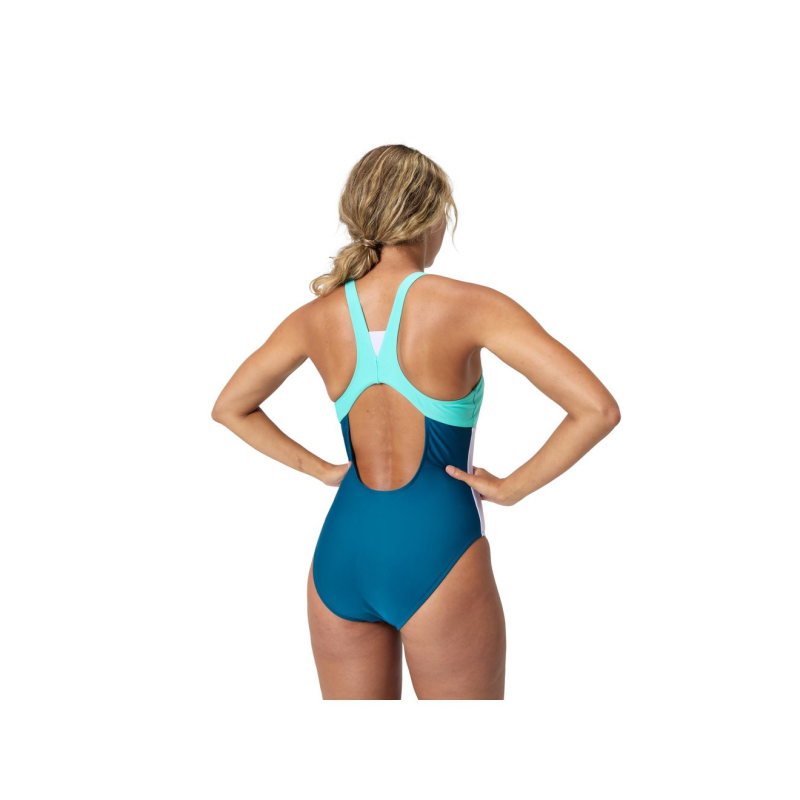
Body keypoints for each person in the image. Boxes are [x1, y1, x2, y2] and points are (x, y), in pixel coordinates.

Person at [211, 144, 621, 700]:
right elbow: (596, 409)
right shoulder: (470, 305)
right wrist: (511, 488)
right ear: (431, 217)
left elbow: (230, 406)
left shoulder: (315, 317)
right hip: (438, 549)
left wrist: (322, 470)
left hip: (342, 552)